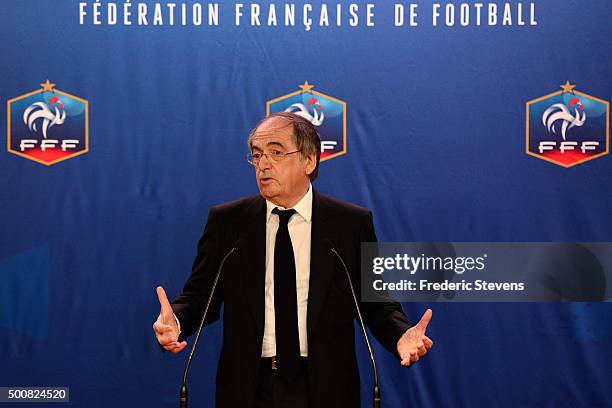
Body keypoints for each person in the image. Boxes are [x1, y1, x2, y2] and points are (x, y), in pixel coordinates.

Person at [153, 112, 433, 407]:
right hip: (249, 388)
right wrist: (177, 319)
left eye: (276, 152)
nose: (263, 165)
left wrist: (400, 335)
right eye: (257, 155)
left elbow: (375, 303)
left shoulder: (349, 224)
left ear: (309, 161)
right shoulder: (229, 223)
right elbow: (200, 297)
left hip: (326, 387)